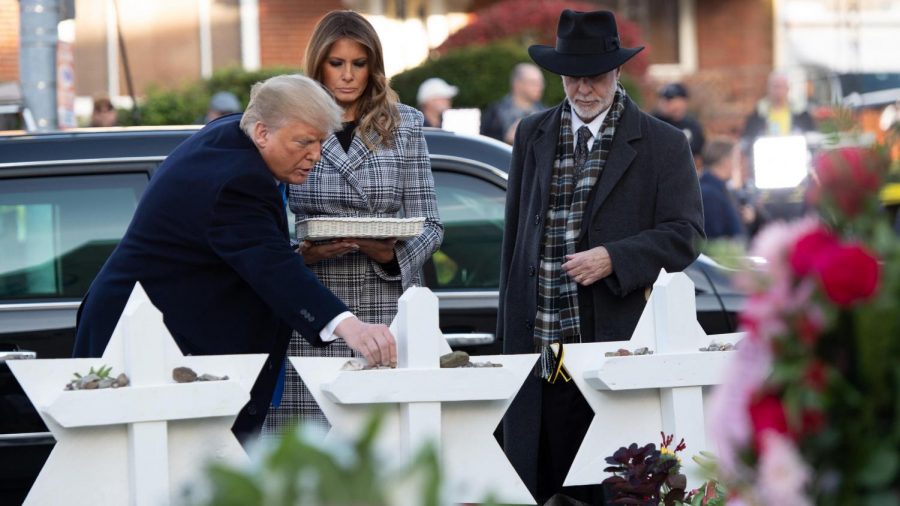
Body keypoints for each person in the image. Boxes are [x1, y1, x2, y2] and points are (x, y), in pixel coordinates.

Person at [73, 74, 397, 442]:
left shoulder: (232, 133)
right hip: (138, 347)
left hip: (160, 334)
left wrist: (296, 258)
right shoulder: (238, 180)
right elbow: (272, 265)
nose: (316, 156)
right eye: (304, 142)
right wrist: (352, 327)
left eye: (321, 142)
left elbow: (237, 245)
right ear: (262, 132)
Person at [498, 9, 704, 505]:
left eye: (594, 76)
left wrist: (616, 257)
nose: (583, 89)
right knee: (535, 485)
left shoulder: (663, 143)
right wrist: (507, 342)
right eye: (573, 76)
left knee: (608, 489)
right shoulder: (532, 132)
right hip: (539, 352)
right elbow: (513, 243)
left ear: (617, 72)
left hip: (610, 351)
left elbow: (687, 234)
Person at [262, 11, 443, 433]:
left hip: (384, 309)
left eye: (358, 64)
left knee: (382, 448)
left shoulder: (406, 124)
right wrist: (302, 256)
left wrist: (389, 257)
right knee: (308, 457)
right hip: (312, 311)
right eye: (336, 63)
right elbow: (261, 234)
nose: (347, 76)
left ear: (373, 66)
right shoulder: (290, 123)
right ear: (318, 64)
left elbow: (431, 224)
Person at [742, 71, 815, 144]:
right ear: (768, 89)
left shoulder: (802, 115)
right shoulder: (757, 116)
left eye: (782, 86)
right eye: (775, 87)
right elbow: (747, 140)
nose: (778, 91)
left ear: (788, 88)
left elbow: (812, 139)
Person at [481, 63, 546, 144]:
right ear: (517, 84)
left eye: (541, 83)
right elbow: (485, 146)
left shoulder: (546, 114)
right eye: (533, 82)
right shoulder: (495, 113)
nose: (540, 87)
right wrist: (506, 140)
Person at [699, 137, 745, 241]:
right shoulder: (709, 194)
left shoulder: (721, 190)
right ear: (725, 161)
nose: (738, 166)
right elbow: (714, 240)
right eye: (736, 159)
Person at [652, 82, 705, 167]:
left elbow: (698, 155)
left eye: (670, 99)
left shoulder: (692, 125)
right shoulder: (653, 122)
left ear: (683, 101)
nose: (665, 102)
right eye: (662, 98)